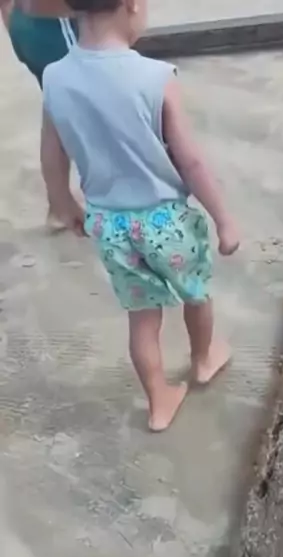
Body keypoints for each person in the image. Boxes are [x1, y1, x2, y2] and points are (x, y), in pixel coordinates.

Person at [40, 0, 240, 432]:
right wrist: (224, 219)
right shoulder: (155, 76)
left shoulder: (54, 77)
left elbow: (52, 155)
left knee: (142, 319)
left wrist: (63, 202)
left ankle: (159, 403)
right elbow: (191, 161)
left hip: (110, 226)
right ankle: (203, 359)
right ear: (132, 4)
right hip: (165, 221)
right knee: (196, 294)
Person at [1, 0, 78, 228]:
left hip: (27, 22)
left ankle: (59, 206)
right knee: (99, 112)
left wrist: (12, 19)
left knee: (55, 111)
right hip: (58, 25)